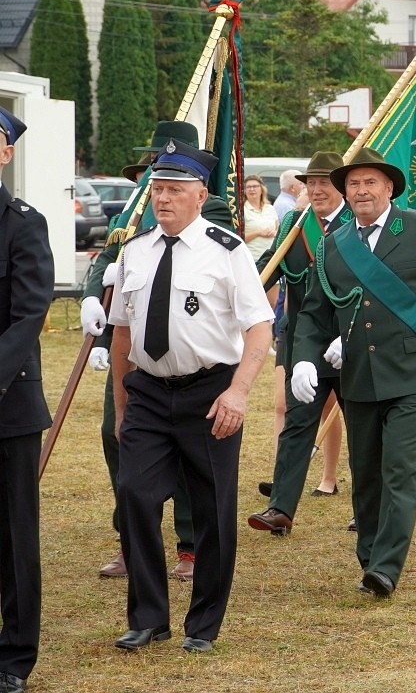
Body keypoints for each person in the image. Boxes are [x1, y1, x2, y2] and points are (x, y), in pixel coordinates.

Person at [292, 149, 416, 594]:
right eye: (354, 184)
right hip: (358, 375)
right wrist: (305, 356)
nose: (361, 191)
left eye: (370, 183)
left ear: (389, 188)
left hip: (413, 373)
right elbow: (315, 313)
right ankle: (370, 553)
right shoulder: (333, 244)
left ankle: (385, 567)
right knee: (366, 471)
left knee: (399, 467)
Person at [108, 141, 275, 653]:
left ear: (200, 195)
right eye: (157, 189)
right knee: (134, 495)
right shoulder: (134, 252)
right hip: (150, 395)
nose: (163, 199)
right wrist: (121, 409)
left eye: (175, 190)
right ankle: (149, 617)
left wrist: (239, 393)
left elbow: (260, 327)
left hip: (210, 394)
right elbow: (121, 336)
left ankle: (202, 626)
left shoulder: (227, 251)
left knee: (212, 512)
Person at [80, 121, 222, 583]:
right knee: (115, 436)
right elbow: (106, 261)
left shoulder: (213, 211)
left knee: (183, 453)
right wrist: (88, 296)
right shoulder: (131, 213)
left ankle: (189, 545)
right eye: (150, 173)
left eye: (164, 174)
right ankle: (131, 540)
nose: (153, 183)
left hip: (186, 354)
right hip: (133, 348)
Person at [248, 151, 352, 537]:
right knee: (296, 423)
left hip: (349, 339)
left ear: (340, 185)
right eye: (311, 183)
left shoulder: (356, 224)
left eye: (325, 182)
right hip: (302, 341)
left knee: (361, 426)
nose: (317, 189)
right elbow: (267, 268)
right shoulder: (294, 223)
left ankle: (367, 509)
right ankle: (281, 509)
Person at [0, 105, 51, 693]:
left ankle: (14, 657)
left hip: (7, 405)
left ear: (6, 154)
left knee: (14, 536)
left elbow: (29, 312)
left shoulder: (22, 222)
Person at [241, 175, 279, 262]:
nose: (252, 189)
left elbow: (278, 230)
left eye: (255, 186)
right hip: (252, 258)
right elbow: (239, 238)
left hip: (271, 258)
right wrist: (258, 233)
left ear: (262, 189)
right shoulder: (242, 210)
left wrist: (274, 233)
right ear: (244, 191)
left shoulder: (270, 208)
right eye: (248, 187)